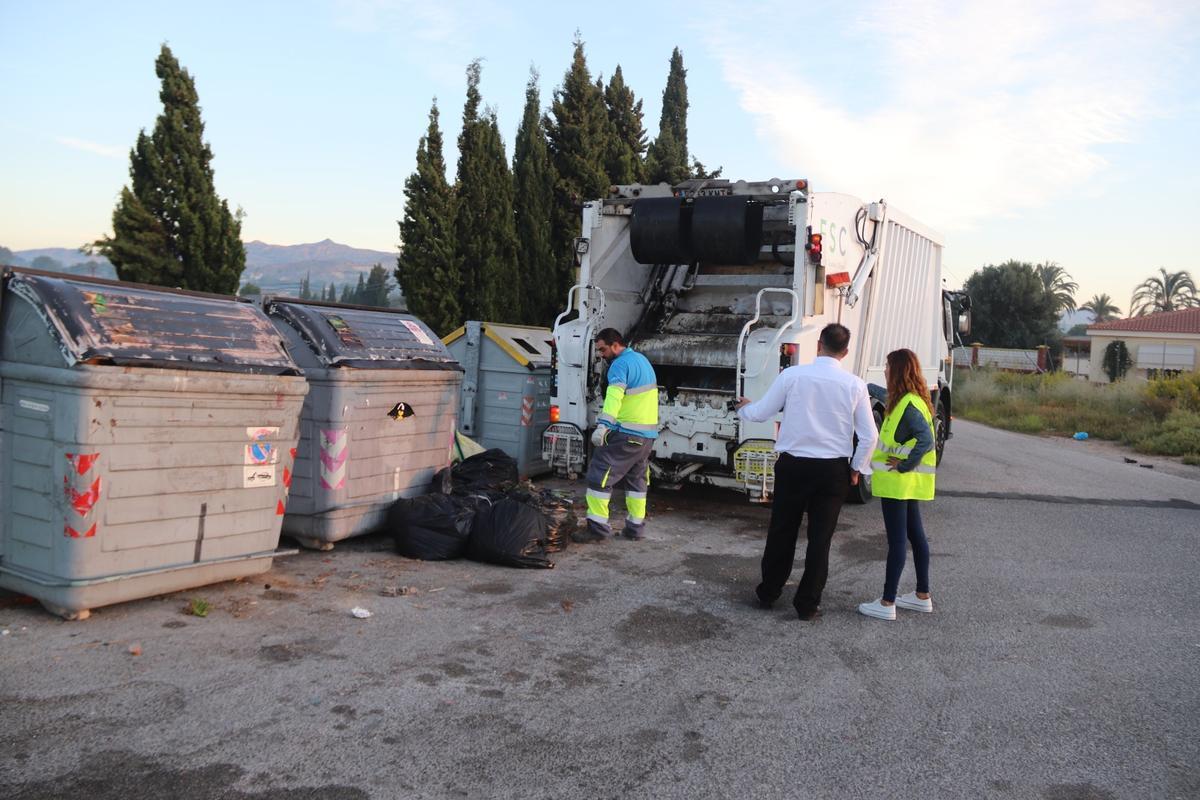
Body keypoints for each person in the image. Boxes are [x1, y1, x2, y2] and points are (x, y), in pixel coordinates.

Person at [735, 323, 878, 620]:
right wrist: (856, 469)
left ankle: (769, 591)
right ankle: (807, 604)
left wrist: (744, 408)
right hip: (832, 471)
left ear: (818, 346)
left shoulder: (792, 376)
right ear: (846, 352)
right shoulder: (855, 385)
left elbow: (762, 412)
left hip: (793, 466)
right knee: (820, 539)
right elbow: (869, 436)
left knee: (782, 531)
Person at [857, 348, 936, 621]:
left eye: (888, 366)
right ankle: (921, 595)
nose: (886, 370)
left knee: (898, 541)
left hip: (897, 483)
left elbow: (927, 440)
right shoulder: (910, 400)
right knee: (916, 535)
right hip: (907, 484)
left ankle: (887, 601)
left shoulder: (909, 406)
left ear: (899, 370)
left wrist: (903, 465)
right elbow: (879, 391)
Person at [579, 328, 659, 542]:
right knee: (637, 482)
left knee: (600, 475)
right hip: (646, 437)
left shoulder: (619, 365)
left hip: (626, 434)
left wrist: (603, 425)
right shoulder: (642, 361)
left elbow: (614, 396)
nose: (601, 355)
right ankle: (635, 529)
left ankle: (596, 530)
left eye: (603, 349)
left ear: (616, 345)